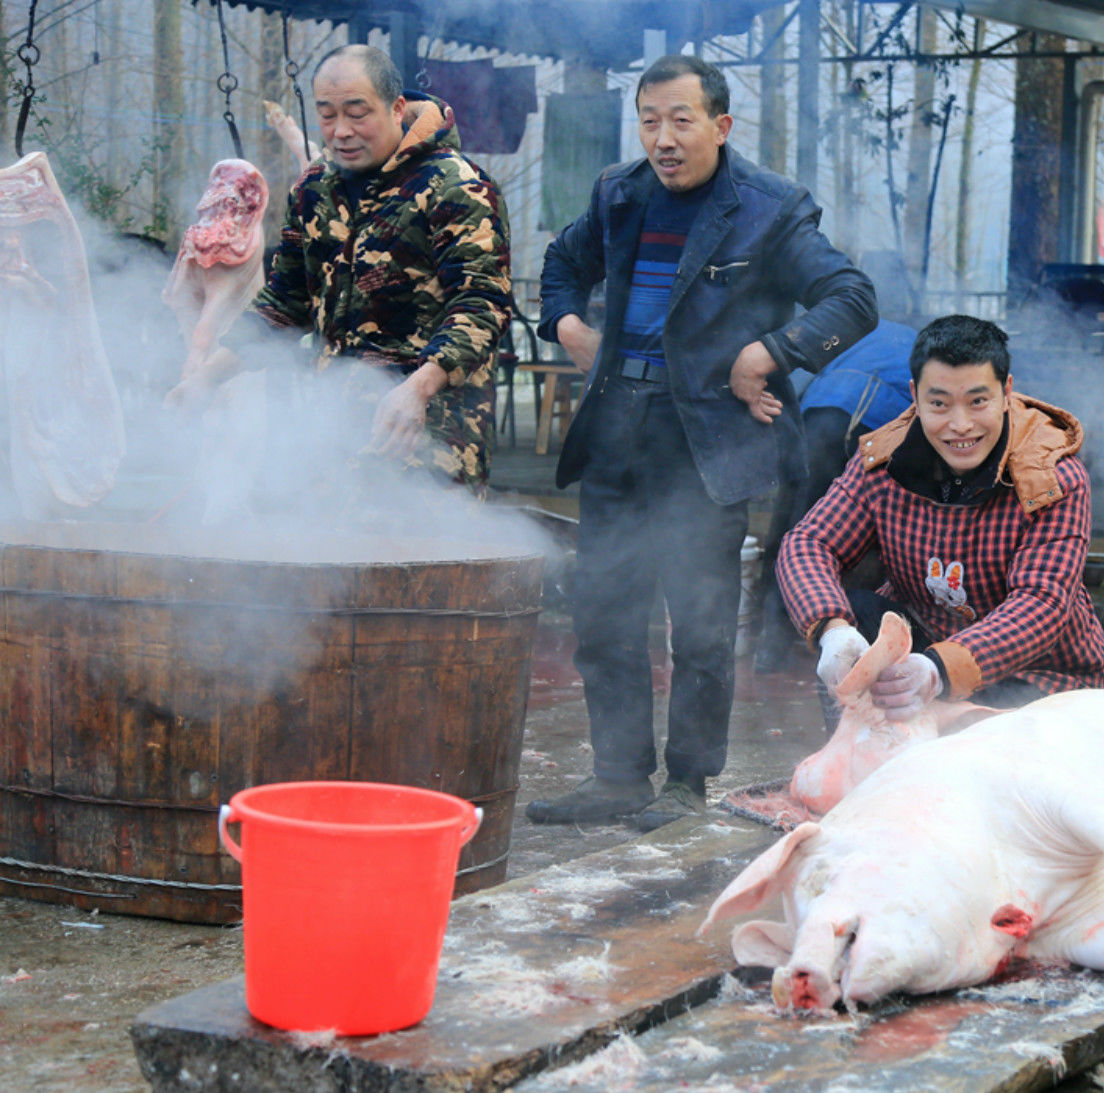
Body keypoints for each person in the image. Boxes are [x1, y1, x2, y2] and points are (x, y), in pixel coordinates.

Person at [527, 54, 876, 830]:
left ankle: (686, 785)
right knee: (606, 613)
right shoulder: (619, 194)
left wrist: (771, 352)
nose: (664, 139)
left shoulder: (769, 208)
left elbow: (851, 297)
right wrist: (569, 327)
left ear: (721, 125)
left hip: (705, 441)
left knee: (701, 621)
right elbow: (561, 262)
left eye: (682, 120)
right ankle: (616, 775)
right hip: (619, 429)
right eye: (650, 121)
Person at [177, 44, 512, 493]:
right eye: (327, 115)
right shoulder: (315, 187)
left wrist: (419, 387)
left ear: (396, 108)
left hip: (429, 435)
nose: (341, 132)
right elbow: (284, 302)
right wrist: (205, 379)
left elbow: (481, 305)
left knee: (418, 559)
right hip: (329, 433)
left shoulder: (457, 186)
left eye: (358, 113)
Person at [778, 314, 1104, 725]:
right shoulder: (882, 463)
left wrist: (939, 669)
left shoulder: (1052, 480)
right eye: (938, 403)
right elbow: (809, 542)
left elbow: (1040, 604)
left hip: (1041, 678)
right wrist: (831, 630)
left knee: (980, 758)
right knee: (855, 613)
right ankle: (860, 766)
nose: (960, 425)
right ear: (914, 397)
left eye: (978, 401)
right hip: (924, 654)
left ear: (1006, 393)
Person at [752, 318, 918, 673]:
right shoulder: (915, 346)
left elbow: (802, 384)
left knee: (791, 522)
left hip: (819, 417)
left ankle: (770, 644)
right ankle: (860, 632)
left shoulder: (853, 333)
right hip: (875, 422)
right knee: (871, 523)